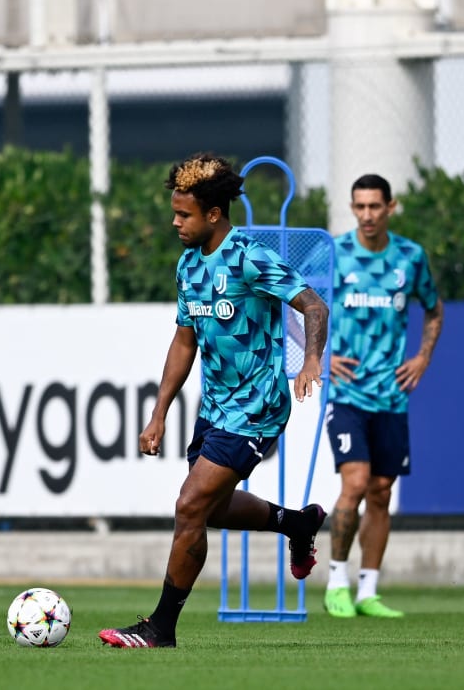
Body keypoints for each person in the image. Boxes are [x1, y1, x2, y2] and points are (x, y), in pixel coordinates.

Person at [99, 153, 330, 649]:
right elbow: (185, 341)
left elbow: (314, 304)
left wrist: (311, 360)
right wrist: (158, 414)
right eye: (175, 212)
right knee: (214, 509)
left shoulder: (249, 257)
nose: (175, 222)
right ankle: (298, 523)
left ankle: (160, 628)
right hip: (215, 410)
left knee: (189, 506)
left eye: (184, 214)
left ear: (214, 214)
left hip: (257, 408)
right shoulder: (188, 265)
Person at [322, 174, 443, 619]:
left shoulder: (410, 257)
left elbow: (433, 308)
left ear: (391, 207)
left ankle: (367, 590)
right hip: (347, 392)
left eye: (375, 206)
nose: (367, 215)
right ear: (352, 208)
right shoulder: (335, 253)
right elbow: (296, 305)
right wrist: (319, 357)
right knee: (354, 483)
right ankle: (336, 580)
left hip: (391, 395)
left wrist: (423, 357)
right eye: (360, 207)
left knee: (380, 491)